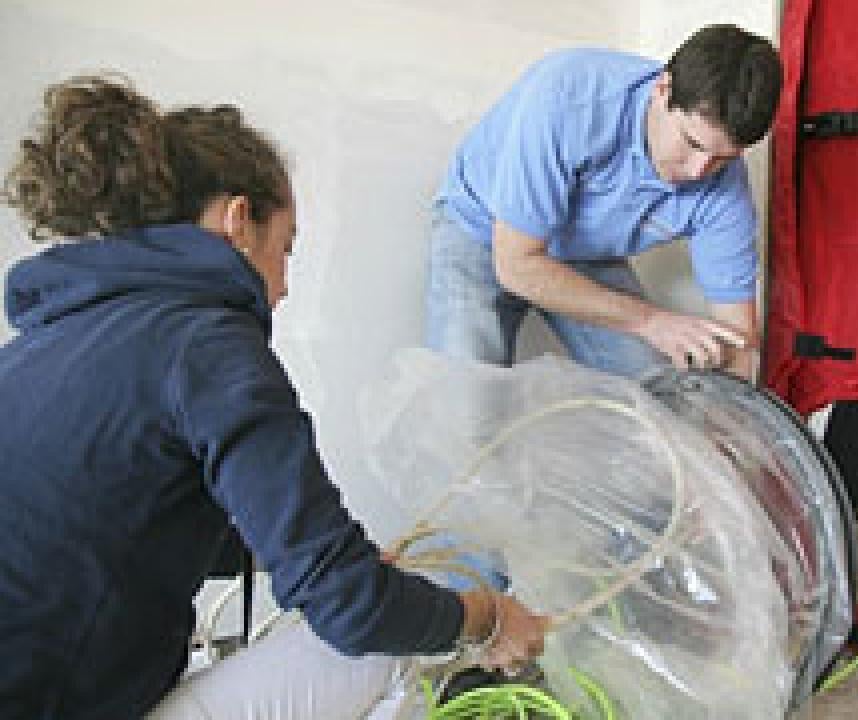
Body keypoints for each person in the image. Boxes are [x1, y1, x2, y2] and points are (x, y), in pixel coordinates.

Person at [0, 74, 548, 719]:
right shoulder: (207, 345)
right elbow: (355, 612)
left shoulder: (46, 342)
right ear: (238, 222)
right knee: (385, 644)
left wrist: (304, 558)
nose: (283, 288)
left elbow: (129, 521)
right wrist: (487, 619)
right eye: (286, 249)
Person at [427, 24, 782, 379]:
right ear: (663, 89)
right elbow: (516, 267)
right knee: (466, 395)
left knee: (657, 391)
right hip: (482, 229)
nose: (698, 170)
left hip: (585, 254)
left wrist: (730, 407)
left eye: (722, 158)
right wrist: (651, 321)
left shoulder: (726, 188)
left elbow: (739, 341)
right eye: (691, 143)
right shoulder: (569, 99)